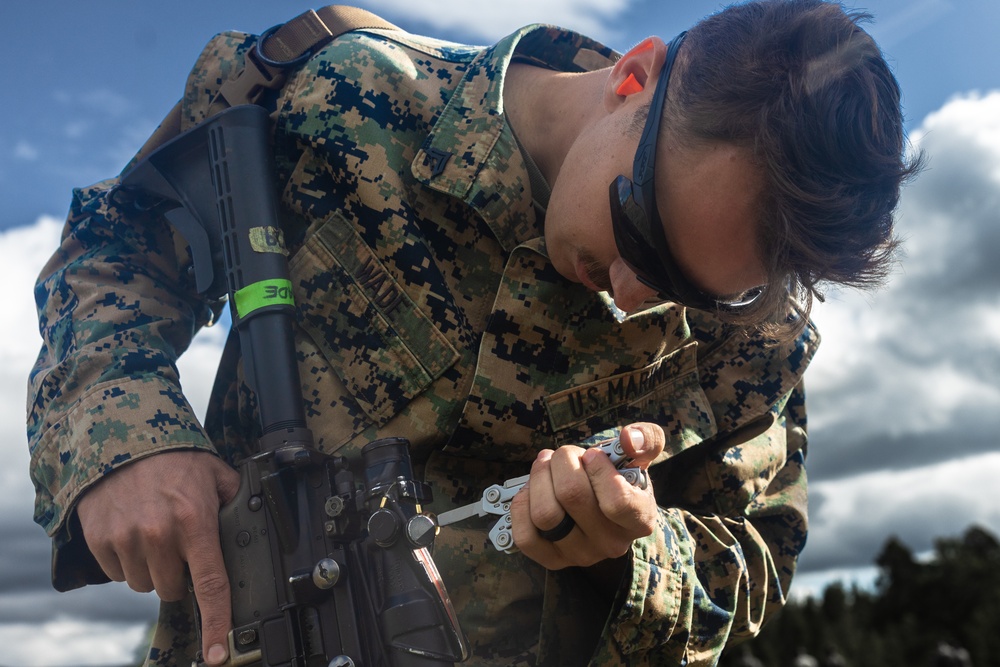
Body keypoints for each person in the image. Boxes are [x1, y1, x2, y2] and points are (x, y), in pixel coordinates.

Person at [27, 1, 919, 665]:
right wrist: (123, 432)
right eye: (641, 232)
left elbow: (755, 561)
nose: (635, 293)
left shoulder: (755, 334)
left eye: (693, 292)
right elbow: (115, 246)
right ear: (634, 78)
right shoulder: (335, 92)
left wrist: (635, 552)